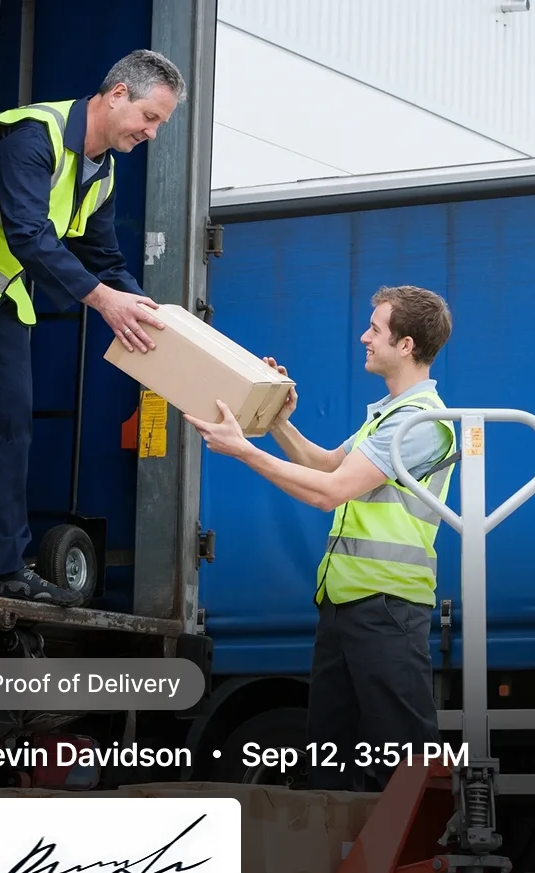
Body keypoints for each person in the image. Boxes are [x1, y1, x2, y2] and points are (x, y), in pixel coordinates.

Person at [185, 285, 457, 791]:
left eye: (375, 329)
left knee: (400, 758)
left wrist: (243, 450)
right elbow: (329, 464)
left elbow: (329, 492)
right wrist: (279, 422)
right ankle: (338, 867)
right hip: (347, 604)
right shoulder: (391, 416)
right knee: (332, 759)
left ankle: (415, 867)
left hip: (388, 606)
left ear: (406, 345)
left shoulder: (422, 424)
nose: (364, 337)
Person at [0, 50, 186, 606]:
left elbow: (106, 260)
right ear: (117, 93)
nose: (153, 133)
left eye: (160, 124)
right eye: (150, 117)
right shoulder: (33, 135)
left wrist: (158, 321)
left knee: (9, 427)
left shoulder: (102, 172)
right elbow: (29, 235)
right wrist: (104, 304)